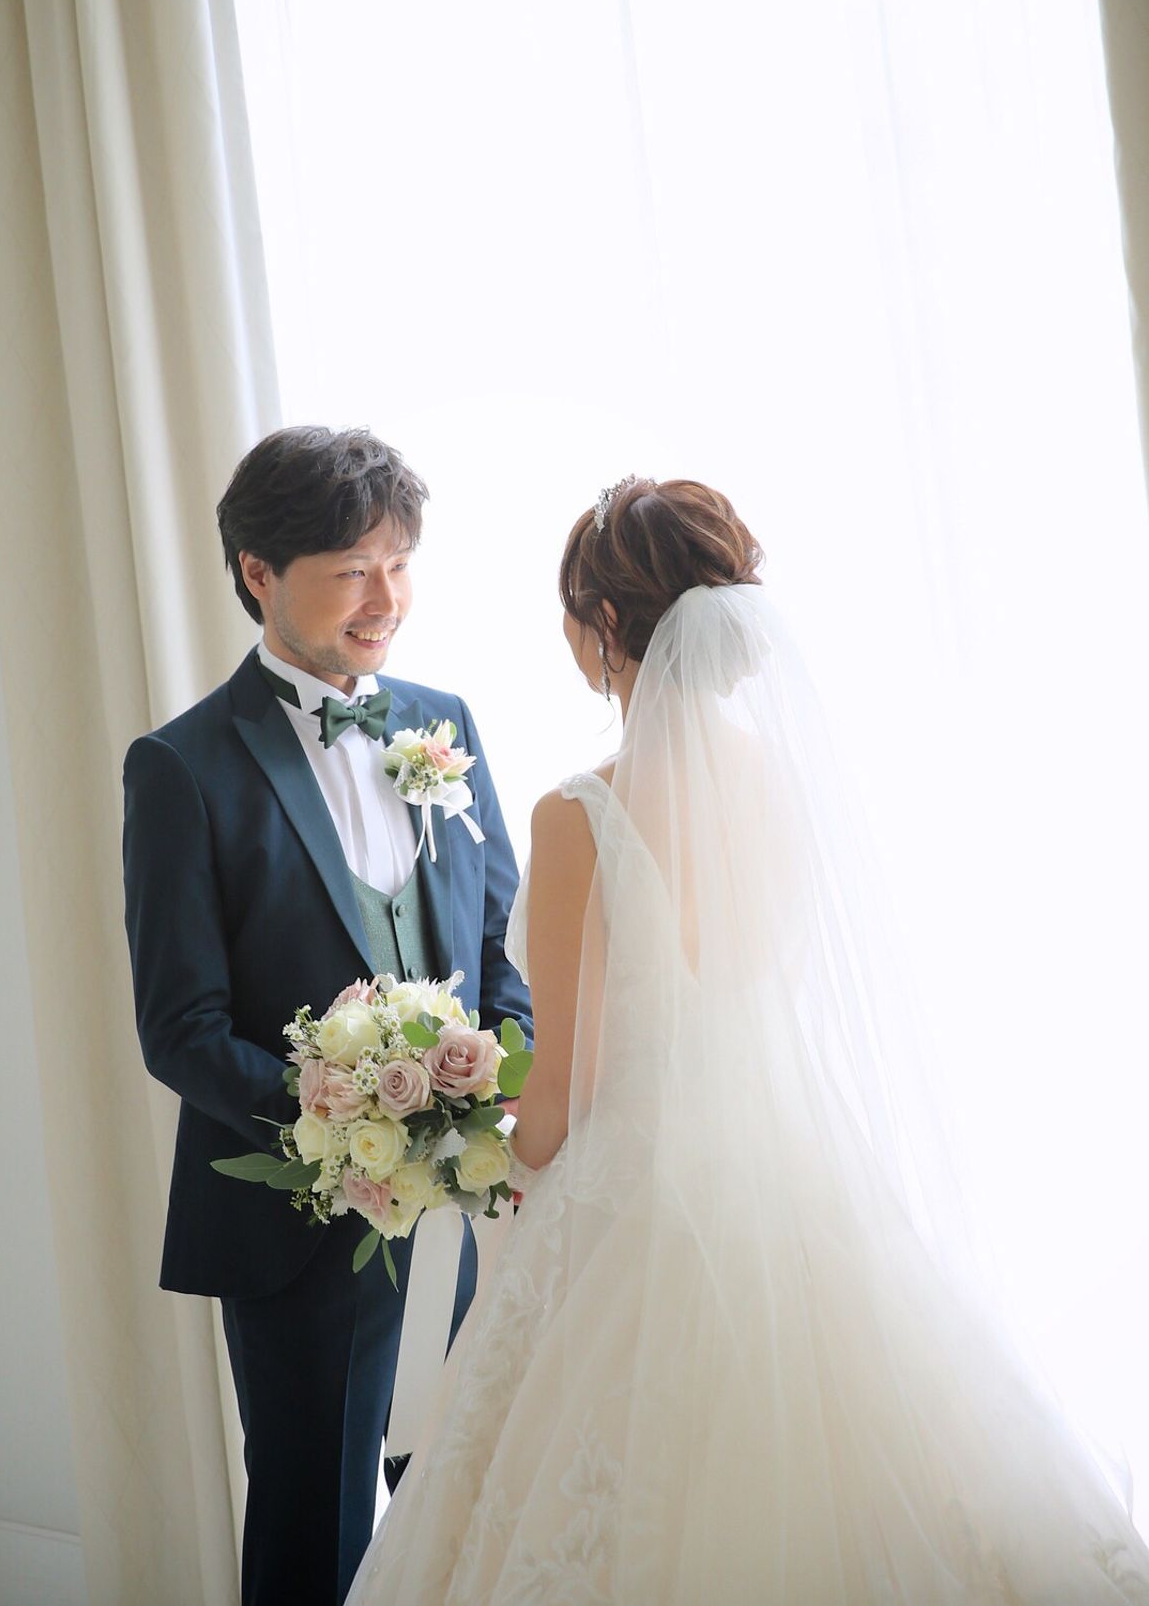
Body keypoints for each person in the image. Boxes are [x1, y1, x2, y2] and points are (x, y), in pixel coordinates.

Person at [348, 474, 1149, 1604]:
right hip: (787, 1168)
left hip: (635, 1194)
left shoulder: (578, 813)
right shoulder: (777, 782)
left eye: (572, 616)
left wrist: (462, 1151)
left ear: (607, 624)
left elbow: (562, 1094)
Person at [122, 426, 532, 1606]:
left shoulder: (443, 722)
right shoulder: (183, 766)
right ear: (258, 571)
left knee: (464, 1516)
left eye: (398, 563)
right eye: (352, 569)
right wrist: (340, 1125)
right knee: (314, 1535)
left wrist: (488, 1092)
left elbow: (497, 949)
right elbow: (180, 1029)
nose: (384, 598)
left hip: (459, 1215)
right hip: (293, 1231)